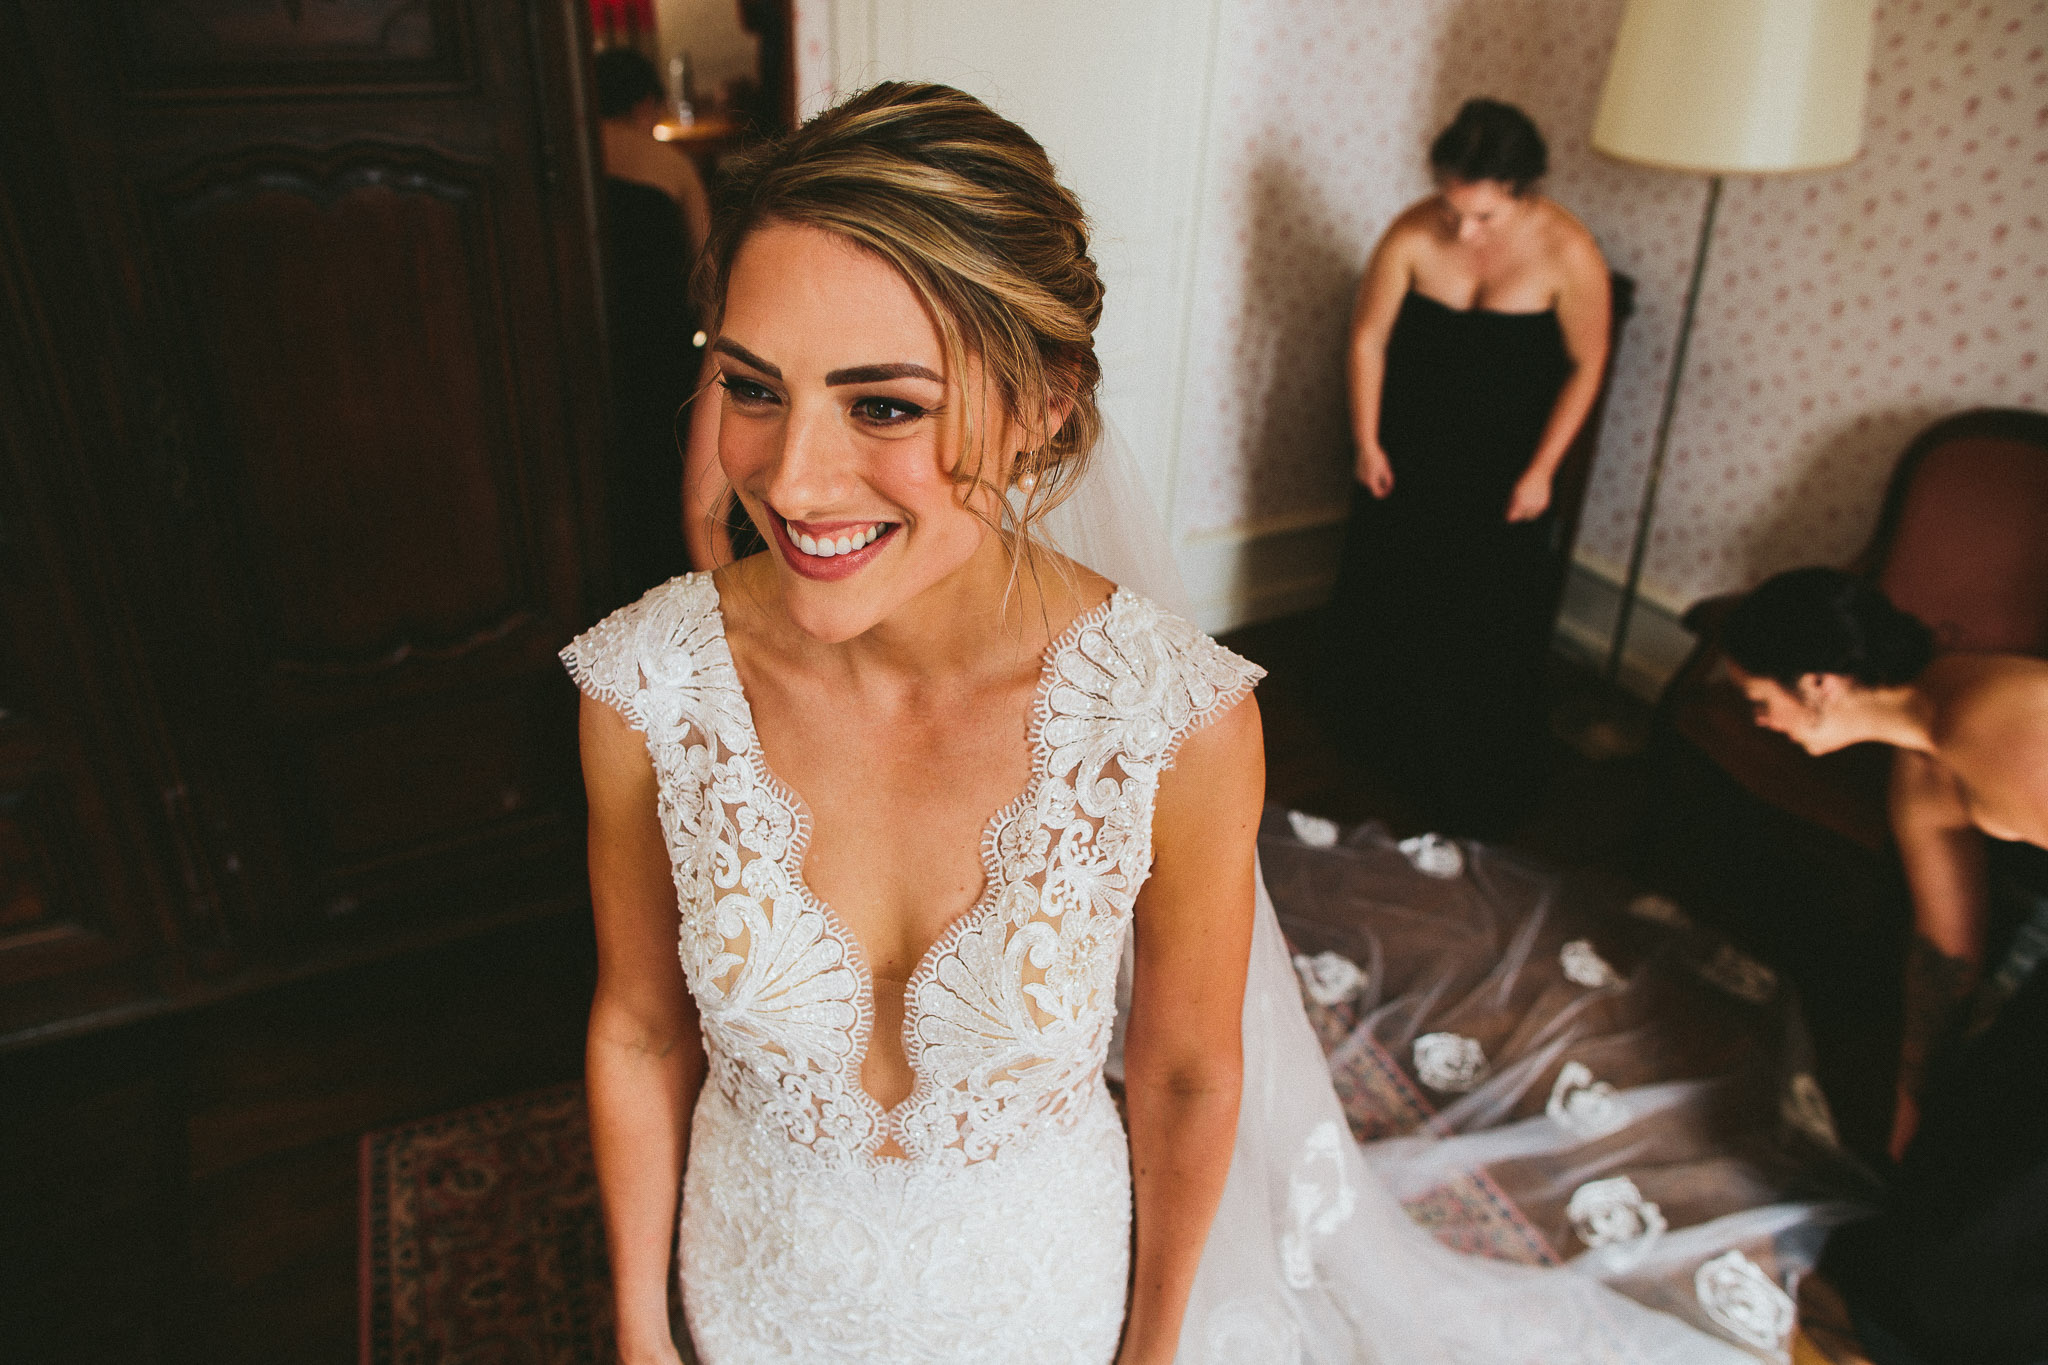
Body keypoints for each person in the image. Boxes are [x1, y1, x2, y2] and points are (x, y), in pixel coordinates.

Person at [567, 82, 1846, 1365]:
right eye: (751, 386)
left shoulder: (1167, 720)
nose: (790, 479)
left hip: (1036, 1298)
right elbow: (635, 1025)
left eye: (885, 404)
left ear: (1044, 401)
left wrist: (1150, 1347)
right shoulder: (646, 685)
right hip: (754, 1282)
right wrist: (638, 1329)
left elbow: (1183, 1073)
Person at [1722, 566, 2048, 1363]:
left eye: (1762, 699)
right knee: (1958, 1139)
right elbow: (1945, 956)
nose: (1762, 721)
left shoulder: (1996, 722)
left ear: (1821, 683)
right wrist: (1913, 1101)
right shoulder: (1924, 765)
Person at [1327, 98, 1611, 833]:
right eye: (1453, 208)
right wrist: (1367, 440)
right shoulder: (1412, 232)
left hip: (1505, 465)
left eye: (1483, 216)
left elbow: (1587, 365)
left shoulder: (1569, 251)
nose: (1462, 229)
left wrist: (1545, 468)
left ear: (1524, 190)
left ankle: (1466, 770)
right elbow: (1369, 340)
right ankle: (1381, 744)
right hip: (1410, 449)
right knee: (1395, 592)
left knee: (1485, 618)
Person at [594, 48, 716, 600]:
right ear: (646, 101)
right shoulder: (667, 165)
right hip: (661, 345)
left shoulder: (570, 157)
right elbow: (707, 267)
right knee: (662, 468)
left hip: (586, 341)